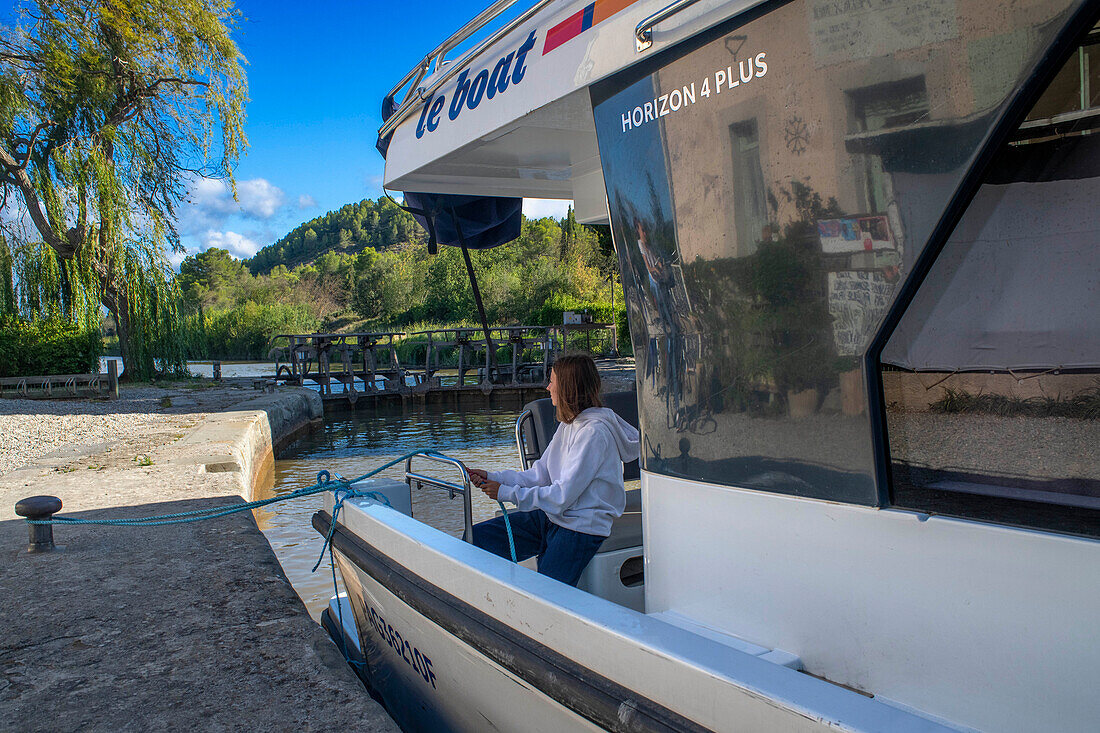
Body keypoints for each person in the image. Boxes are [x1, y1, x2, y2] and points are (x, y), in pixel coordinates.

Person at [468, 353, 640, 587]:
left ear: (568, 388)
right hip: (554, 517)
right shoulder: (570, 424)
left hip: (581, 528)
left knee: (546, 595)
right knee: (474, 541)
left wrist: (505, 493)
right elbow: (539, 475)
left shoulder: (594, 433)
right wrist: (494, 478)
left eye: (552, 381)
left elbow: (561, 496)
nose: (548, 387)